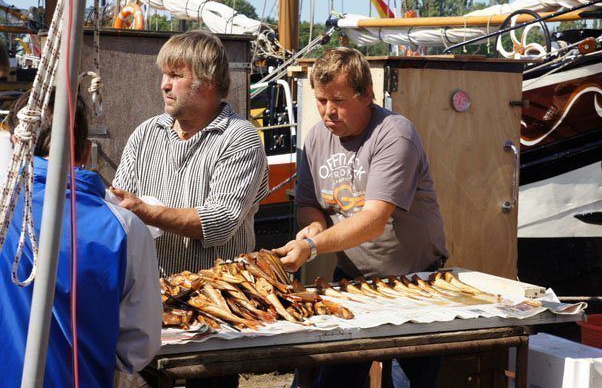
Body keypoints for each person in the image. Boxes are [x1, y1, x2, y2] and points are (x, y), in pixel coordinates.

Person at [273, 47, 449, 388]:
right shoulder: (315, 138)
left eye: (338, 100)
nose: (327, 112)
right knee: (331, 382)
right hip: (352, 279)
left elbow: (373, 220)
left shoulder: (394, 134)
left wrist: (311, 245)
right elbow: (310, 204)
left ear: (367, 94)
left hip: (415, 284)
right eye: (321, 100)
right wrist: (313, 225)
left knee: (405, 384)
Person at [0, 91, 162, 387]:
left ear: (15, 144)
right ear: (87, 151)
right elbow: (139, 345)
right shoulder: (125, 228)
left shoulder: (4, 212)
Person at [111, 30, 269, 275]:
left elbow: (220, 222)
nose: (164, 84)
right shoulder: (146, 133)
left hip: (216, 295)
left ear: (208, 81)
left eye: (176, 75)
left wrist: (147, 212)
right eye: (164, 74)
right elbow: (120, 205)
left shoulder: (240, 137)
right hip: (150, 289)